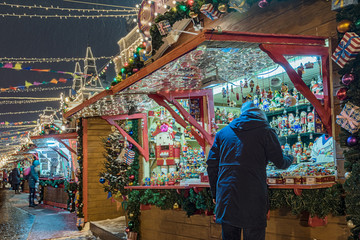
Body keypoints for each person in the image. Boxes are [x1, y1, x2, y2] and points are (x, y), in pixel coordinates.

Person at [207, 101, 293, 240]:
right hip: (253, 196)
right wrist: (291, 158)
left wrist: (216, 194)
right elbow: (280, 162)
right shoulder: (266, 131)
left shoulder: (223, 133)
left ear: (242, 115)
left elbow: (211, 165)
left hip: (226, 196)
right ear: (261, 116)